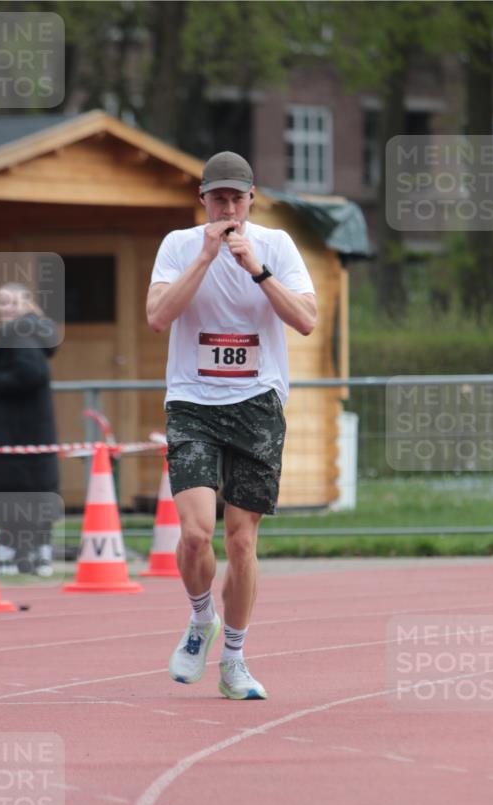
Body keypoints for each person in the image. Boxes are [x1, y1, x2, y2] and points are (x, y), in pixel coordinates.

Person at [147, 151, 317, 700]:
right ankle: (201, 620)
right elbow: (157, 317)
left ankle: (236, 660)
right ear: (203, 201)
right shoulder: (178, 245)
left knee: (241, 542)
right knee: (196, 534)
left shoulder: (276, 247)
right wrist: (205, 258)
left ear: (251, 199)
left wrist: (255, 269)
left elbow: (307, 320)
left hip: (257, 404)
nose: (227, 207)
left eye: (236, 198)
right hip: (193, 403)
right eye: (217, 198)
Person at [0, 283, 60, 576]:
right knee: (36, 492)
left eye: (12, 302)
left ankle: (11, 555)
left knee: (12, 491)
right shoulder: (33, 331)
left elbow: (30, 373)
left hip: (16, 429)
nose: (6, 308)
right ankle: (38, 554)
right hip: (33, 429)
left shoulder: (17, 332)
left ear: (27, 304)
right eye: (2, 302)